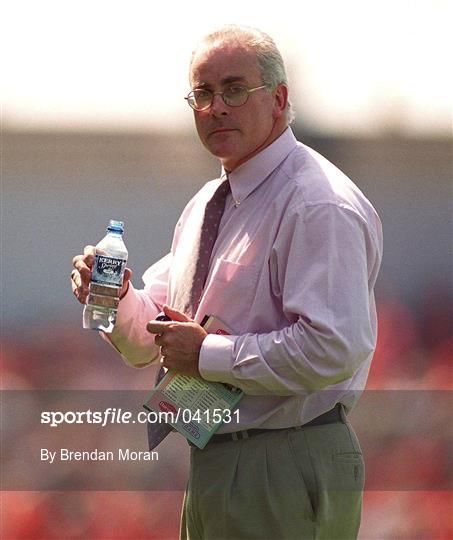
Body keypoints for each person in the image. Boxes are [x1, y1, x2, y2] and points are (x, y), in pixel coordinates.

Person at [72, 24, 382, 540]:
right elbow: (157, 337)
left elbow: (334, 346)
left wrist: (208, 355)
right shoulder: (209, 203)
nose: (216, 107)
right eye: (203, 93)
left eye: (235, 90)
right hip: (218, 452)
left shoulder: (316, 202)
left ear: (279, 99)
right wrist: (115, 298)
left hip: (284, 454)